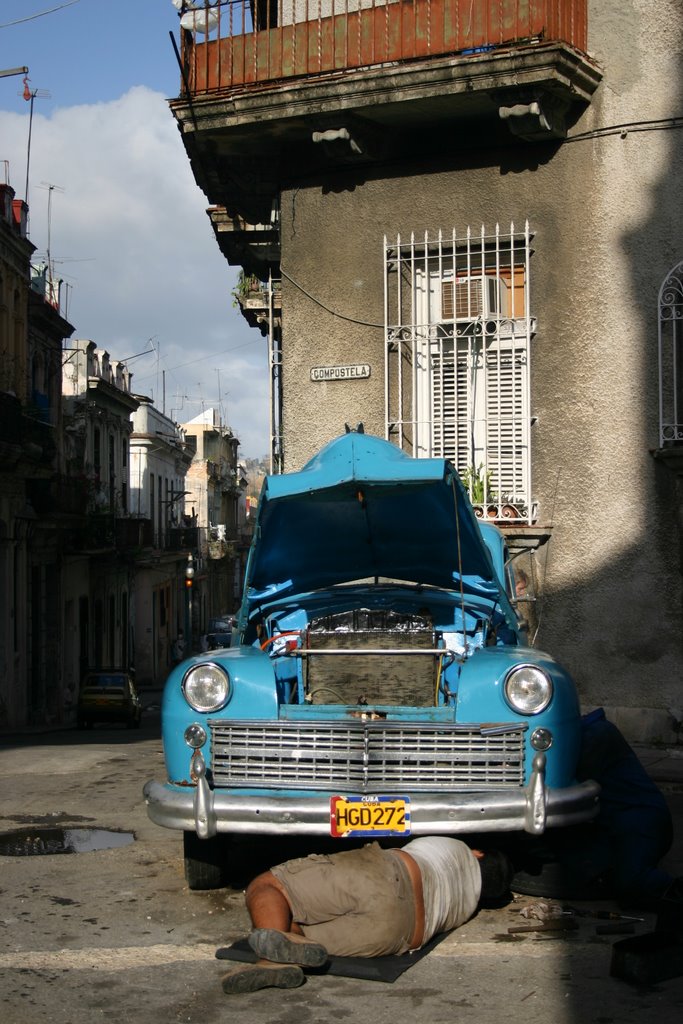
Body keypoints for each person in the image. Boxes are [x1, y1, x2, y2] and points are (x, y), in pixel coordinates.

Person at [220, 837, 513, 994]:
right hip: (401, 934)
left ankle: (271, 956)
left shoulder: (459, 849)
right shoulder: (468, 907)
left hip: (389, 875)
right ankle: (278, 958)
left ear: (478, 854)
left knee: (267, 886)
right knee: (300, 932)